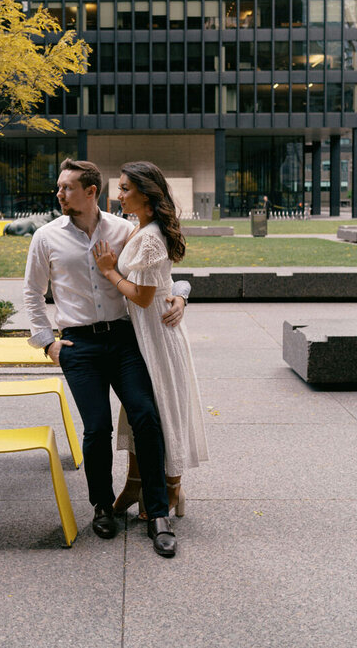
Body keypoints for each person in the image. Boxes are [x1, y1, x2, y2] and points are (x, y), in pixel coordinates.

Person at [23, 158, 192, 558]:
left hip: (124, 339)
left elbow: (163, 269)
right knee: (96, 428)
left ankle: (157, 514)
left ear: (91, 191)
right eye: (59, 187)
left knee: (146, 417)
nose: (59, 193)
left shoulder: (124, 230)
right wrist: (46, 341)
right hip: (78, 346)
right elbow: (32, 294)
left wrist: (181, 293)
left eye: (67, 187)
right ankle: (102, 504)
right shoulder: (46, 237)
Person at [91, 161, 209, 523]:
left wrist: (109, 271)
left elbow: (143, 297)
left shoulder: (150, 236)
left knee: (164, 411)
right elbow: (166, 280)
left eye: (126, 188)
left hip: (157, 335)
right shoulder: (140, 228)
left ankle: (173, 488)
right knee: (140, 413)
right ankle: (135, 483)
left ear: (146, 193)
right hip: (143, 334)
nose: (119, 194)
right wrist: (181, 292)